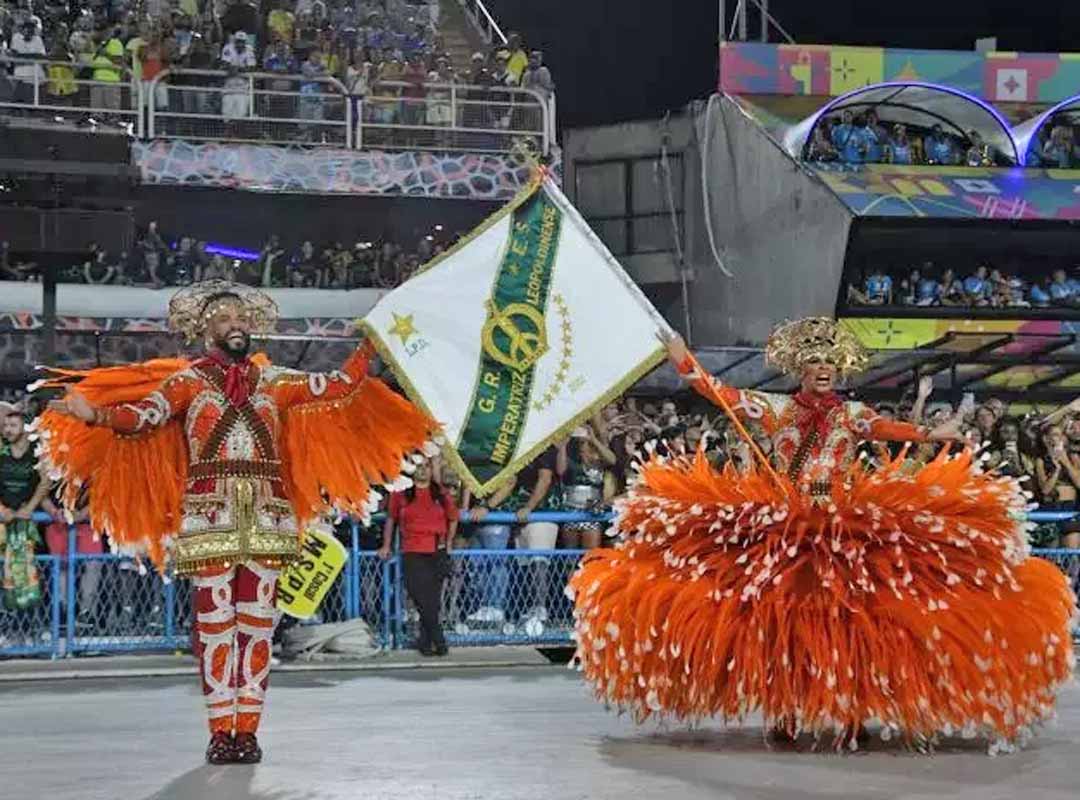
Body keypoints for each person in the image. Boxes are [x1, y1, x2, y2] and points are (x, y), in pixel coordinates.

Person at [570, 319, 1074, 750]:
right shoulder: (775, 409)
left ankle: (851, 712)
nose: (823, 368)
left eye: (831, 362)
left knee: (854, 624)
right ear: (800, 369)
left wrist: (930, 433)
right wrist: (683, 358)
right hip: (787, 532)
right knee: (781, 626)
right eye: (814, 361)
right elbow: (717, 392)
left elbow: (886, 429)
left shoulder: (852, 415)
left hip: (842, 532)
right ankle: (785, 711)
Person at [41, 280, 434, 765]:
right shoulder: (188, 382)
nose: (236, 324)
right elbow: (143, 417)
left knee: (257, 627)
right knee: (214, 627)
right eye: (225, 318)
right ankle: (218, 731)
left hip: (268, 518)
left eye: (242, 318)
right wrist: (95, 415)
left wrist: (371, 340)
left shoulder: (276, 382)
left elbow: (339, 384)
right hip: (209, 518)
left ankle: (246, 731)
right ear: (205, 330)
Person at [378, 457, 456, 656]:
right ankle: (438, 638)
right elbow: (391, 520)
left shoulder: (441, 494)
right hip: (412, 551)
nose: (422, 470)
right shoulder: (401, 494)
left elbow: (453, 517)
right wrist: (386, 544)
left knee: (432, 601)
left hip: (436, 551)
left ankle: (425, 642)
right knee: (419, 596)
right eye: (418, 466)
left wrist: (448, 543)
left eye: (426, 466)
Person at [0, 402, 49, 611]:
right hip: (3, 519)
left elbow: (46, 481)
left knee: (27, 568)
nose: (7, 430)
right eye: (5, 426)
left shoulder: (37, 450)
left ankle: (25, 614)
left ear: (25, 427)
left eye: (13, 425)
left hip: (27, 521)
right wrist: (2, 510)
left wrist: (30, 508)